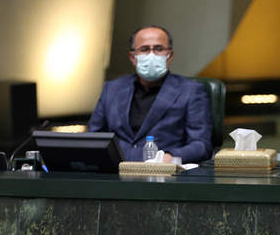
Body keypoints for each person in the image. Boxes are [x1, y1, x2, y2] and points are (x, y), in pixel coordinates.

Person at [88, 26, 212, 163]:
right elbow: (93, 137)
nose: (151, 55)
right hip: (114, 170)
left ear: (170, 56)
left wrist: (170, 158)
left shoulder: (191, 90)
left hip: (162, 172)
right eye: (144, 49)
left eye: (158, 49)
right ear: (133, 57)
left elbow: (201, 145)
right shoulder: (112, 89)